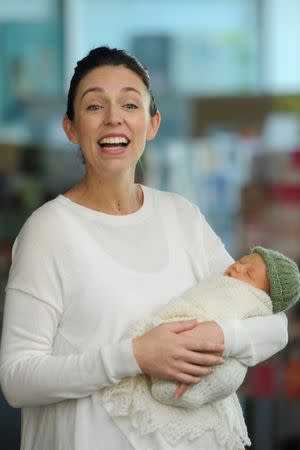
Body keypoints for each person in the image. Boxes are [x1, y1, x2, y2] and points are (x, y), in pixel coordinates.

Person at [0, 46, 288, 450]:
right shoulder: (49, 231)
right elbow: (17, 379)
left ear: (152, 124)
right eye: (95, 105)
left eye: (130, 104)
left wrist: (217, 335)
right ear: (71, 128)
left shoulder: (182, 216)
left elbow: (273, 326)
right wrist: (134, 356)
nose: (114, 117)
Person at [101, 246, 298, 421]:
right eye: (241, 261)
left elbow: (278, 328)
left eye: (249, 274)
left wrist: (219, 333)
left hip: (198, 365)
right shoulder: (223, 278)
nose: (237, 268)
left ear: (264, 294)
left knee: (228, 370)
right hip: (156, 352)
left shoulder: (250, 302)